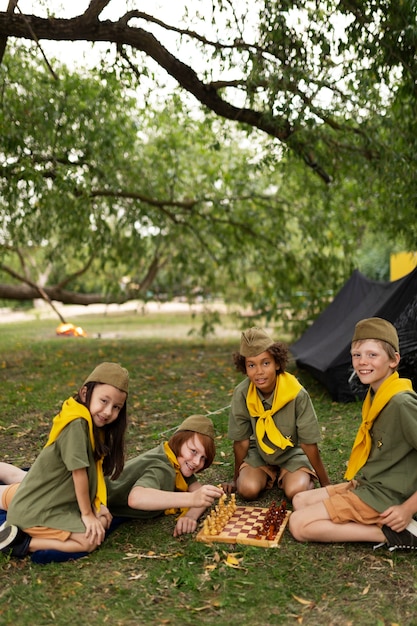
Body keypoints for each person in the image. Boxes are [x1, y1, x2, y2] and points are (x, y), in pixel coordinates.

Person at [289, 317, 417, 551]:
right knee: (299, 500)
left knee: (298, 525)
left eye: (372, 355)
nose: (362, 362)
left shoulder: (401, 402)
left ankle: (396, 534)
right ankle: (365, 517)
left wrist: (407, 509)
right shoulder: (376, 394)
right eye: (357, 355)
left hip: (389, 497)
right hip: (371, 483)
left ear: (393, 360)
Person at [0, 362, 129, 558]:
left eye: (116, 407)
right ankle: (20, 543)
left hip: (53, 500)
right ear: (85, 393)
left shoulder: (93, 427)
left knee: (102, 521)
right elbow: (79, 474)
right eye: (104, 401)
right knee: (89, 540)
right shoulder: (76, 424)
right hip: (36, 510)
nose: (108, 411)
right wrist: (87, 515)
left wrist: (99, 505)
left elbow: (94, 473)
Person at [222, 327, 329, 501]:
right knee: (247, 490)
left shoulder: (296, 393)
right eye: (251, 365)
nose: (259, 372)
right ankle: (266, 474)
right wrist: (235, 480)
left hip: (291, 453)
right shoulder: (242, 393)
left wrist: (326, 484)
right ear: (245, 368)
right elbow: (241, 442)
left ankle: (291, 475)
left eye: (266, 363)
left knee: (296, 491)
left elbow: (309, 444)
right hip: (260, 453)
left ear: (277, 363)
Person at [106, 414, 223, 536]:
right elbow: (136, 498)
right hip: (93, 501)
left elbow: (200, 493)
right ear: (179, 441)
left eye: (203, 458)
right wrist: (192, 498)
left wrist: (190, 516)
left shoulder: (176, 461)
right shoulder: (162, 468)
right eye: (193, 451)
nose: (197, 462)